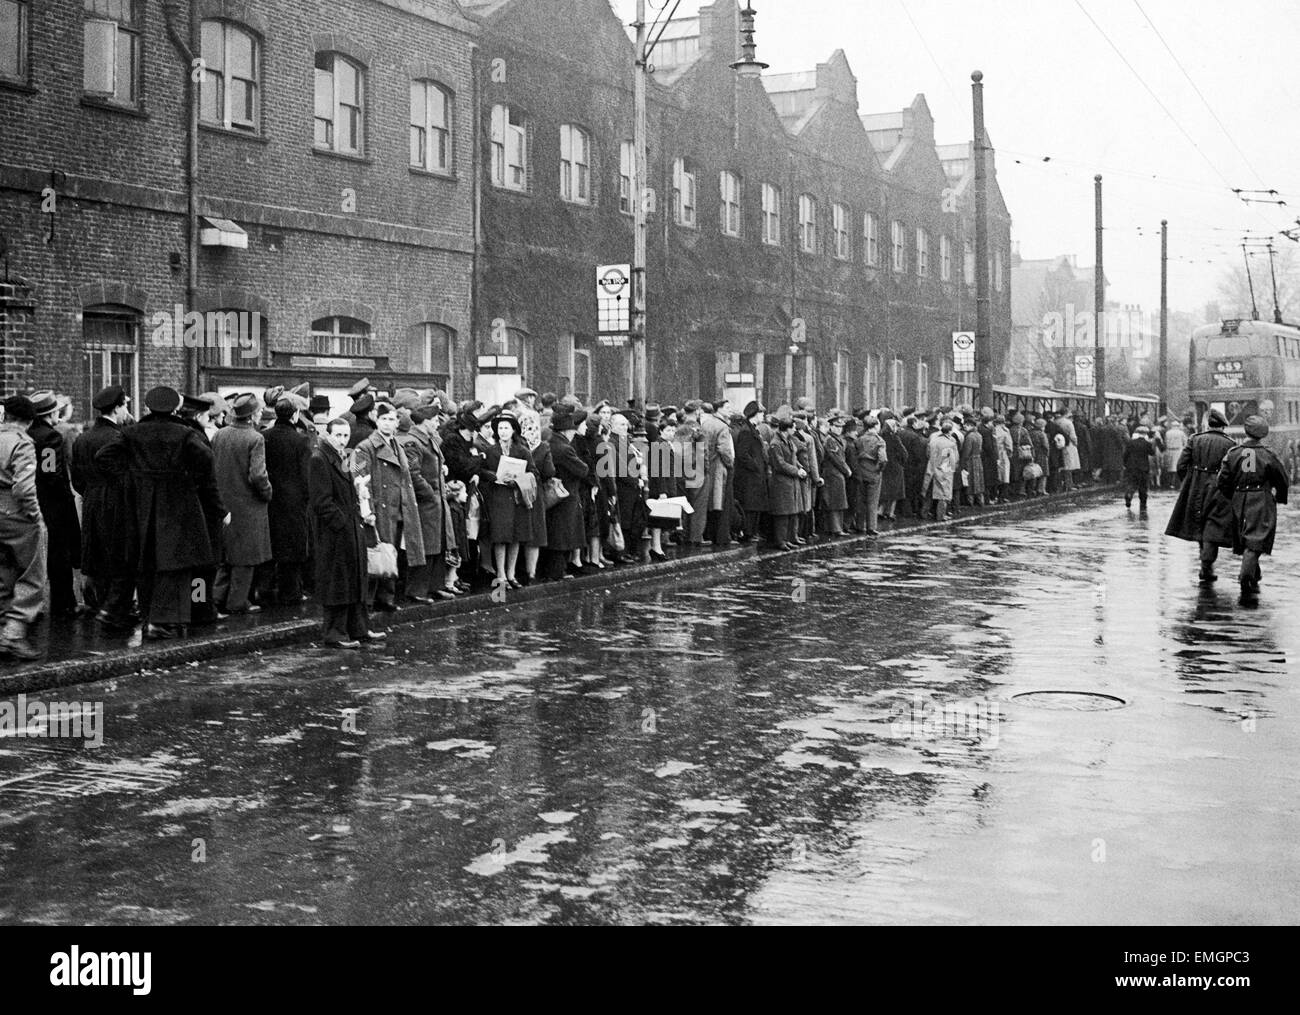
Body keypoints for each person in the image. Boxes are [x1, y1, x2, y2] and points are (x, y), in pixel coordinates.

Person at [105, 386, 226, 639]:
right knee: (176, 565)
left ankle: (150, 617)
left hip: (142, 507)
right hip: (178, 506)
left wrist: (132, 478)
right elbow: (206, 461)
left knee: (145, 563)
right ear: (174, 408)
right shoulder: (184, 433)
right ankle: (166, 620)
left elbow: (103, 457)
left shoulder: (131, 433)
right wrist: (189, 481)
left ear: (148, 408)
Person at [308, 418, 384, 648]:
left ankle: (358, 628)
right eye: (338, 435)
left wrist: (360, 497)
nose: (342, 440)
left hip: (351, 526)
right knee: (338, 582)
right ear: (328, 435)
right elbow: (321, 501)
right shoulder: (319, 459)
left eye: (345, 436)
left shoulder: (345, 457)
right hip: (335, 531)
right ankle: (335, 633)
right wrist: (341, 523)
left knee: (355, 578)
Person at [70, 385, 136, 631]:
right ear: (117, 408)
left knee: (95, 552)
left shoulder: (82, 438)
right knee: (119, 553)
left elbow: (76, 477)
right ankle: (114, 608)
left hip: (91, 500)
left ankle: (96, 603)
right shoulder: (119, 438)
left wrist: (90, 491)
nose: (126, 411)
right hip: (116, 501)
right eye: (124, 406)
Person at [352, 401, 425, 613]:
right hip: (378, 507)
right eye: (383, 419)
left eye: (391, 419)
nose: (387, 423)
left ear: (397, 423)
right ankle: (368, 600)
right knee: (376, 553)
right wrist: (366, 509)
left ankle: (386, 597)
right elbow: (358, 477)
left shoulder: (398, 446)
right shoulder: (364, 447)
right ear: (376, 420)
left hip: (398, 507)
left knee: (390, 550)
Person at [212, 393, 273, 615]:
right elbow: (258, 475)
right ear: (253, 415)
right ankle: (237, 602)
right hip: (249, 506)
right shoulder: (255, 438)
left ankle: (216, 598)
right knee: (246, 559)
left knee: (226, 557)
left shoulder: (219, 435)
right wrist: (267, 493)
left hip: (224, 503)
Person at [1216, 416, 1289, 599]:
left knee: (1246, 536)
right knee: (1256, 538)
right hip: (1261, 498)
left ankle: (1253, 574)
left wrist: (1232, 496)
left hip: (1239, 497)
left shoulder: (1233, 452)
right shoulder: (1268, 454)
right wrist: (1279, 497)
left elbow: (1222, 480)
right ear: (1263, 434)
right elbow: (1282, 479)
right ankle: (1246, 578)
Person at [1165, 409, 1236, 584]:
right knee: (1213, 526)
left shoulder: (1195, 440)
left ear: (1208, 424)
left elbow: (1182, 465)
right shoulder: (1230, 444)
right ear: (1222, 426)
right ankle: (1207, 565)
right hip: (1219, 490)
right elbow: (1233, 470)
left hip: (1196, 488)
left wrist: (1190, 483)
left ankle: (1206, 562)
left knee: (1200, 524)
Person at [27, 390, 81, 617]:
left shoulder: (29, 433)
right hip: (55, 503)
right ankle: (64, 603)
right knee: (60, 553)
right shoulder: (50, 437)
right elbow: (51, 472)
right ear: (52, 412)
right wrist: (64, 497)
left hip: (35, 498)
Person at [0, 396, 46, 659]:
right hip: (17, 515)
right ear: (29, 422)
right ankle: (14, 634)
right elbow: (24, 488)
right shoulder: (22, 443)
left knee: (3, 575)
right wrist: (35, 515)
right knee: (32, 573)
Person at [262, 398, 313, 605]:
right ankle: (290, 592)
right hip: (294, 502)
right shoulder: (301, 441)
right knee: (292, 549)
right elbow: (306, 475)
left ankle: (264, 592)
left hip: (269, 499)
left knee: (270, 546)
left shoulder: (264, 436)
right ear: (295, 415)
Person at [483, 411, 537, 588]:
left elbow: (534, 473)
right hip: (498, 497)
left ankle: (511, 573)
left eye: (507, 427)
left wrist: (518, 480)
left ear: (513, 430)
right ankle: (501, 574)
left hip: (516, 497)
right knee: (500, 536)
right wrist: (492, 476)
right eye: (500, 428)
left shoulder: (522, 451)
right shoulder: (491, 451)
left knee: (515, 536)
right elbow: (482, 470)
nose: (503, 431)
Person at [546, 405, 589, 577]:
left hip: (554, 494)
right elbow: (583, 470)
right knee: (563, 534)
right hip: (566, 494)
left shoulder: (551, 442)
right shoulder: (565, 448)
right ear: (567, 431)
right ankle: (557, 571)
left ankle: (555, 570)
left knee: (557, 533)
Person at [766, 406, 804, 550]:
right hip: (781, 482)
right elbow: (780, 464)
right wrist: (796, 471)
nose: (794, 430)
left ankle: (787, 539)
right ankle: (780, 540)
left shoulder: (788, 440)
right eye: (793, 428)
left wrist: (799, 468)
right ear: (786, 429)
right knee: (782, 514)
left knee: (790, 512)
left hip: (790, 481)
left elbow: (792, 457)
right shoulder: (776, 443)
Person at [734, 401, 769, 543]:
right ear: (755, 414)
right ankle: (749, 532)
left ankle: (752, 532)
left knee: (755, 505)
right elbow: (742, 454)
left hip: (755, 474)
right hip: (750, 476)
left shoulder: (752, 429)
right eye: (761, 413)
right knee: (750, 505)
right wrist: (755, 466)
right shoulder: (746, 431)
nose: (763, 416)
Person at [850, 415, 886, 537]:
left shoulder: (859, 439)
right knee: (872, 501)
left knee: (861, 500)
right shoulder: (879, 440)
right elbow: (882, 459)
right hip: (873, 472)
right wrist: (879, 469)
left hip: (861, 470)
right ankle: (871, 527)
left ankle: (860, 525)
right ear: (875, 426)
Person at [818, 413, 851, 536]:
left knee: (838, 501)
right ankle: (835, 528)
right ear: (830, 426)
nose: (839, 429)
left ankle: (837, 527)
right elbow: (836, 458)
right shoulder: (830, 440)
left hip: (837, 474)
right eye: (836, 426)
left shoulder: (837, 439)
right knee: (834, 502)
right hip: (832, 474)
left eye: (841, 427)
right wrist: (846, 469)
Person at [924, 419, 959, 521]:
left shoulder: (933, 440)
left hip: (931, 466)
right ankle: (941, 515)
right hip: (944, 468)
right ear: (950, 431)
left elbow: (928, 453)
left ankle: (925, 512)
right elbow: (953, 459)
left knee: (929, 491)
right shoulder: (951, 443)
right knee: (943, 494)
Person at [1123, 426, 1157, 514]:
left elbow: (1125, 454)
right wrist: (1153, 442)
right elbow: (1152, 453)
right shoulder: (1147, 444)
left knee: (1132, 483)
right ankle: (1143, 504)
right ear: (1145, 434)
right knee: (1143, 486)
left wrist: (1125, 464)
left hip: (1132, 467)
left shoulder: (1131, 443)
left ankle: (1129, 494)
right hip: (1143, 468)